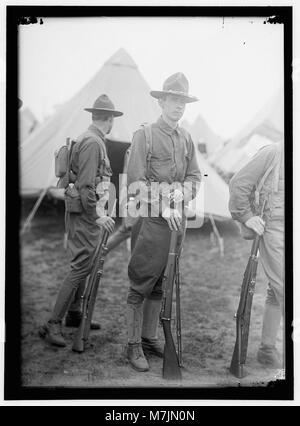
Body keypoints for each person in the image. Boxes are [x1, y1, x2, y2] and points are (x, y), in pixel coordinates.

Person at [124, 72, 202, 372]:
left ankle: (148, 338)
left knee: (161, 283)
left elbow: (195, 176)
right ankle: (132, 346)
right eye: (173, 100)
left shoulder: (186, 138)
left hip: (177, 222)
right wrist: (161, 205)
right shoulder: (144, 135)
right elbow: (135, 181)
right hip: (152, 222)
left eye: (182, 101)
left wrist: (183, 192)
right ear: (161, 101)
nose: (178, 106)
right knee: (140, 282)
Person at [39, 94, 123, 347]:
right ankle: (53, 323)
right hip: (85, 214)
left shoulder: (91, 139)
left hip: (84, 212)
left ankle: (74, 315)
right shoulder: (93, 143)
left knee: (86, 263)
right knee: (79, 267)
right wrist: (97, 214)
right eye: (111, 120)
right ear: (109, 120)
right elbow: (87, 185)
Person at [229, 141, 284, 368]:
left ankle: (267, 348)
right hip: (275, 227)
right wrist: (246, 215)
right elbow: (239, 182)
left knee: (277, 289)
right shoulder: (274, 152)